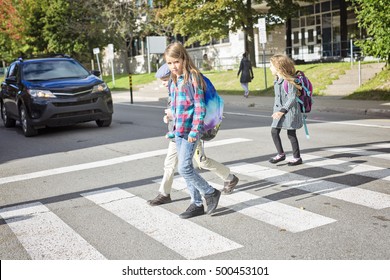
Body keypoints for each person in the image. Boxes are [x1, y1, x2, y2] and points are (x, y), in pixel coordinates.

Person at [148, 58, 239, 219]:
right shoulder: (174, 85)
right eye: (169, 63)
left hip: (190, 132)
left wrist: (189, 129)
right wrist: (171, 126)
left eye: (164, 79)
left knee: (192, 165)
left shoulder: (189, 81)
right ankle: (186, 199)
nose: (163, 83)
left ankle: (214, 189)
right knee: (174, 165)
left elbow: (196, 109)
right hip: (178, 133)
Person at [268, 54, 303, 166]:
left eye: (271, 65)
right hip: (278, 112)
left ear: (279, 67)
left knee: (291, 134)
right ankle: (281, 154)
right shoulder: (277, 81)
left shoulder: (289, 81)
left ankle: (297, 158)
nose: (270, 68)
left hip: (289, 111)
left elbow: (292, 98)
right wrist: (276, 111)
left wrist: (282, 111)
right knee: (274, 131)